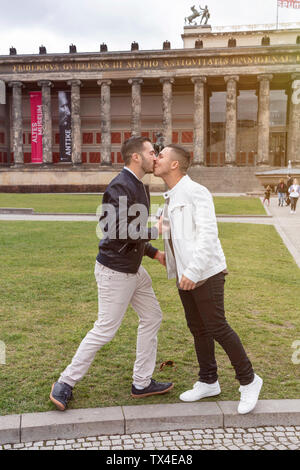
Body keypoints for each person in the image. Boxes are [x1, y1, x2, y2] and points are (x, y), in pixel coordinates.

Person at [50, 136, 173, 411]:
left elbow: (133, 233)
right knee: (104, 329)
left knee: (152, 316)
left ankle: (141, 383)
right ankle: (65, 382)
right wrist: (157, 231)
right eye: (152, 152)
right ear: (136, 157)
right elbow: (116, 230)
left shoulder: (139, 185)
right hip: (115, 271)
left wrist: (155, 254)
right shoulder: (121, 185)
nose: (156, 156)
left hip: (132, 269)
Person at [154, 144, 263, 415]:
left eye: (162, 156)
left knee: (217, 327)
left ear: (175, 164)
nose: (156, 159)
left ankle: (249, 380)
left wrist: (192, 271)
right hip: (185, 275)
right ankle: (208, 380)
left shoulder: (196, 192)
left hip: (205, 274)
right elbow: (177, 234)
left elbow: (207, 235)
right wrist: (162, 229)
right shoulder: (171, 195)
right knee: (198, 329)